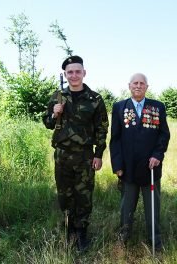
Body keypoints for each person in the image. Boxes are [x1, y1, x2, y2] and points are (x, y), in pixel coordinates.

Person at [42, 55, 109, 252]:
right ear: (65, 74)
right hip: (62, 155)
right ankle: (69, 230)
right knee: (65, 195)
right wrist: (55, 113)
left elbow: (102, 128)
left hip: (85, 156)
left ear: (84, 73)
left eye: (77, 71)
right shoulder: (58, 97)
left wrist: (99, 154)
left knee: (84, 196)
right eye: (70, 72)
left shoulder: (95, 99)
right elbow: (47, 123)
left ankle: (82, 234)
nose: (74, 75)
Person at [110, 73, 170, 251]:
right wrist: (118, 165)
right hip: (128, 168)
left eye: (141, 83)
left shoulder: (157, 107)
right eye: (135, 83)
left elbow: (164, 134)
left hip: (151, 167)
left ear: (147, 87)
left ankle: (154, 240)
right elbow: (115, 139)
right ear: (129, 86)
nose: (138, 86)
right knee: (126, 206)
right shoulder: (120, 107)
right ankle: (124, 237)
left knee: (152, 207)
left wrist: (158, 155)